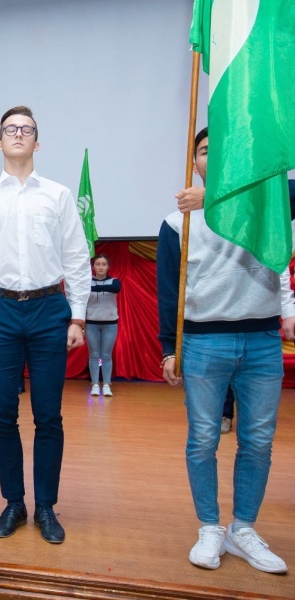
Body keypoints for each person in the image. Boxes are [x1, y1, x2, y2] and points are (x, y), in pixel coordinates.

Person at [158, 127, 294, 574]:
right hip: (202, 341)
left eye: (222, 149)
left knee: (258, 441)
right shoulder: (178, 221)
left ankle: (243, 529)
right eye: (203, 150)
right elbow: (168, 292)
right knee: (203, 439)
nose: (211, 156)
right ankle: (210, 527)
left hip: (262, 341)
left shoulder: (267, 203)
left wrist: (216, 197)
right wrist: (168, 348)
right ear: (194, 162)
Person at [0, 106, 90, 544]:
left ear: (38, 142)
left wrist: (77, 315)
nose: (18, 134)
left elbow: (77, 258)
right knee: (1, 414)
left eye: (26, 129)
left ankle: (46, 507)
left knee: (49, 416)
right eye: (10, 129)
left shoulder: (58, 195)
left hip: (49, 309)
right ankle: (14, 502)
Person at [86, 253, 121, 397]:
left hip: (110, 324)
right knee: (94, 355)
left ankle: (106, 384)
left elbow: (115, 288)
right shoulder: (87, 282)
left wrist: (94, 288)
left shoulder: (114, 281)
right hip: (91, 323)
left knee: (106, 355)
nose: (101, 267)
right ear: (93, 267)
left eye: (104, 264)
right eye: (98, 264)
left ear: (108, 267)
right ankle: (95, 384)